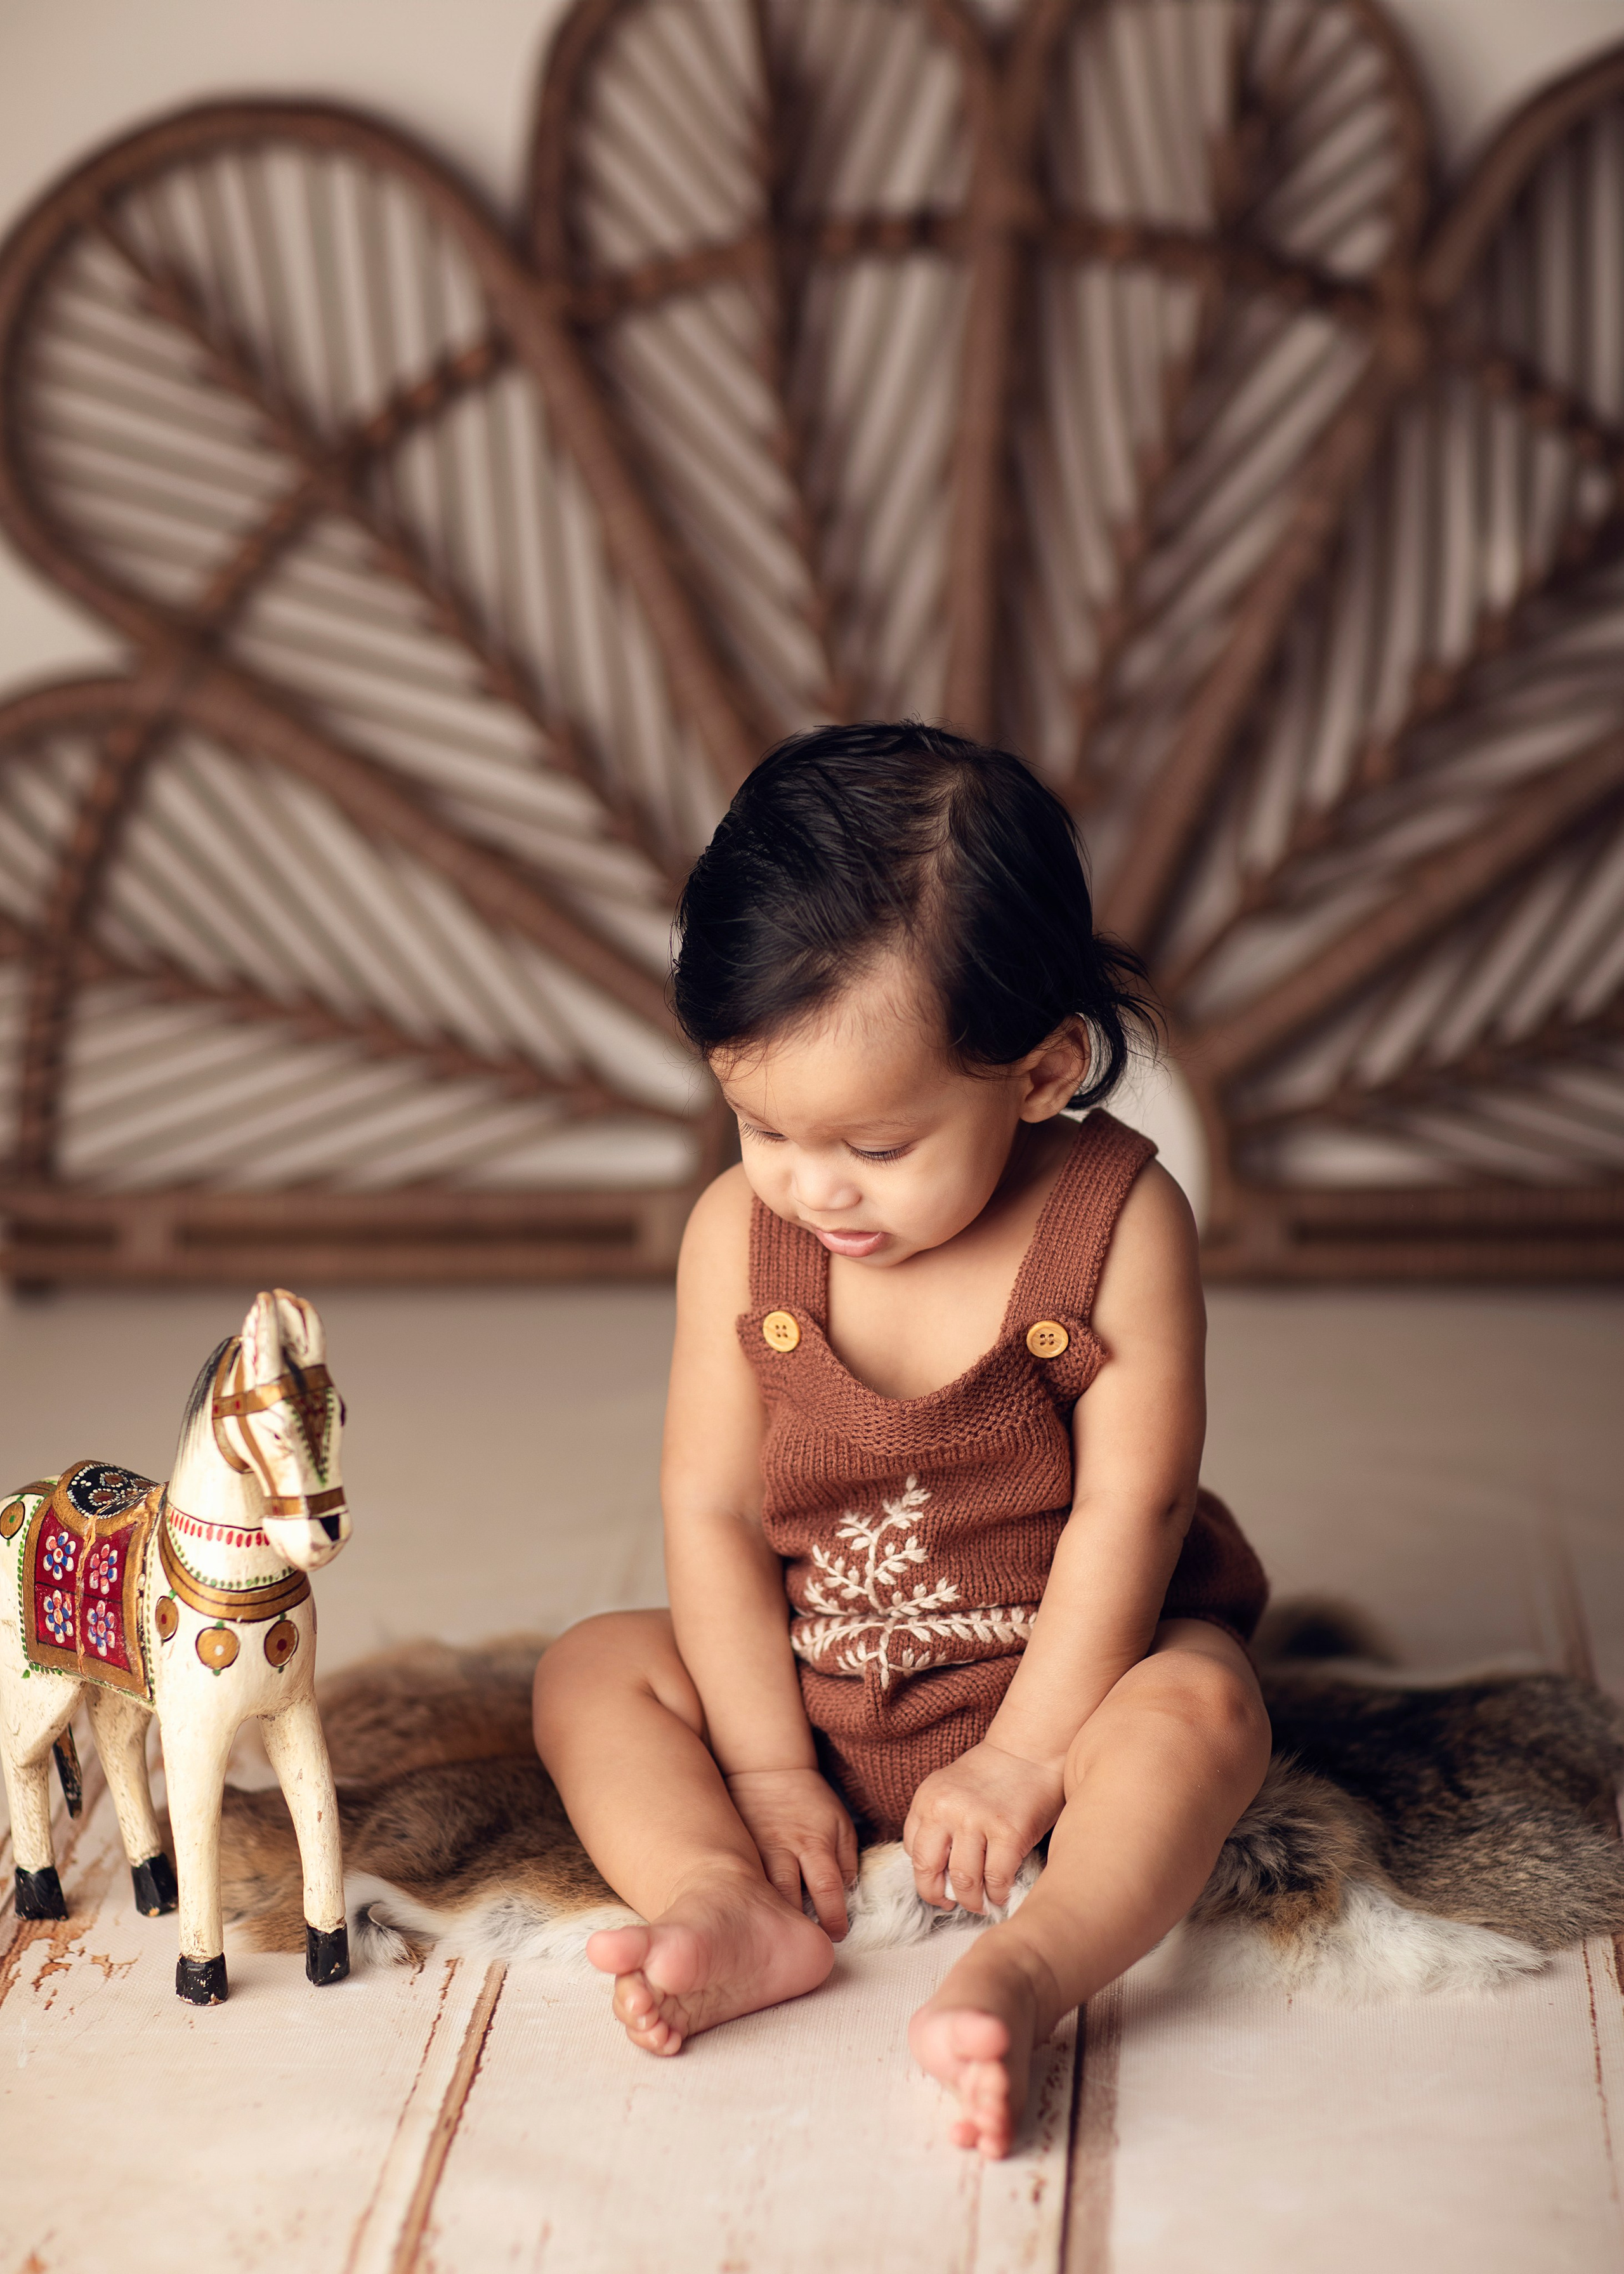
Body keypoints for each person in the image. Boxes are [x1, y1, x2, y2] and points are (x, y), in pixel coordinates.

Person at [533, 722, 1270, 2159]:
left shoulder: (1115, 1227)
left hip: (1063, 1679)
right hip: (812, 1675)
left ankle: (1032, 1964)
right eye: (759, 1125)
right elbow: (713, 1516)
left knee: (1207, 1710)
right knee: (589, 1670)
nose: (815, 1189)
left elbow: (1135, 1509)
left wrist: (1024, 1757)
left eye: (875, 1147)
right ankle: (725, 1899)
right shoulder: (736, 1243)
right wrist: (758, 1772)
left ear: (1043, 1071)